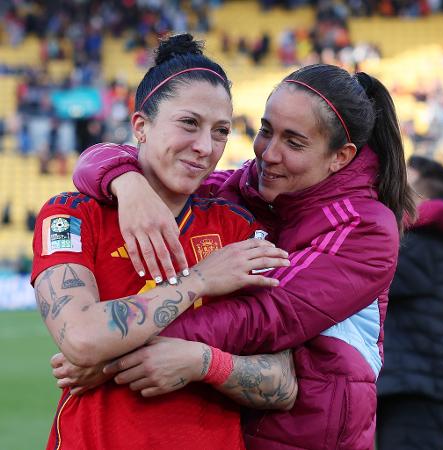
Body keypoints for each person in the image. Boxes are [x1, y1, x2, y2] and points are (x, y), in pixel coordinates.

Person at [67, 62, 416, 449]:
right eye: (266, 130)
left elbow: (267, 315)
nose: (269, 153)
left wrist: (114, 346)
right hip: (230, 430)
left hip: (309, 436)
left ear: (341, 157)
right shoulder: (241, 189)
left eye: (294, 142)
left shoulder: (365, 226)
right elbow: (101, 161)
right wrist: (126, 182)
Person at [32, 34, 293, 450]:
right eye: (189, 123)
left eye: (220, 131)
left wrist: (202, 362)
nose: (205, 147)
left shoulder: (238, 229)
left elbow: (283, 383)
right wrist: (200, 281)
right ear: (141, 126)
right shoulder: (73, 214)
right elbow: (80, 338)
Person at [376, 156, 443, 450]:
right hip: (413, 380)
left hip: (416, 385)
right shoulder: (430, 237)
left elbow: (373, 280)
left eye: (406, 179)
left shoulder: (426, 241)